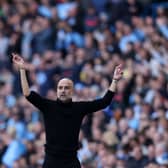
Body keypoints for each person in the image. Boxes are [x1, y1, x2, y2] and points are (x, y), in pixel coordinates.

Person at [12, 53, 123, 168]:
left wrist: (114, 80)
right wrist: (22, 69)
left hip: (71, 162)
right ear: (57, 91)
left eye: (66, 87)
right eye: (60, 88)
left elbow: (104, 102)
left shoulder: (79, 108)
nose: (63, 90)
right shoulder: (48, 106)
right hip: (51, 162)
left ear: (72, 91)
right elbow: (27, 94)